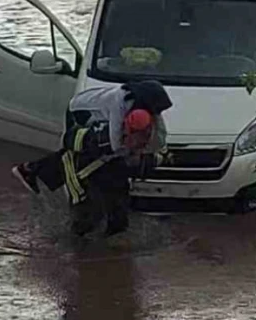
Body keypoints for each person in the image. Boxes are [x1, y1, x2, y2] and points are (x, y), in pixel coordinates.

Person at [12, 80, 172, 236]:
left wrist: (150, 152)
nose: (142, 140)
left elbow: (160, 135)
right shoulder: (116, 109)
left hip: (101, 150)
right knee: (81, 181)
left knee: (110, 189)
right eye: (138, 136)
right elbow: (115, 144)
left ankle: (32, 170)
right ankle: (32, 170)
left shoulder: (144, 110)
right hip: (79, 111)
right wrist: (133, 152)